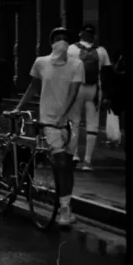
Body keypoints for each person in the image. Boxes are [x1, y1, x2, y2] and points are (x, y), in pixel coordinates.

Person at [15, 27, 84, 229]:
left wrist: (64, 115)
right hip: (49, 122)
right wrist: (19, 108)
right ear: (51, 42)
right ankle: (63, 211)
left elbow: (73, 92)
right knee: (61, 162)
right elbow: (33, 87)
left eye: (64, 38)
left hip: (70, 122)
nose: (61, 41)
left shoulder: (77, 64)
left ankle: (66, 206)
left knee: (68, 167)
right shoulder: (41, 63)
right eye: (57, 38)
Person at [66, 24, 113, 171]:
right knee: (92, 125)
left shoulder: (71, 49)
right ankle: (87, 161)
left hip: (76, 88)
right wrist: (107, 95)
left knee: (74, 122)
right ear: (94, 36)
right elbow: (107, 75)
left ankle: (73, 155)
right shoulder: (101, 51)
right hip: (94, 90)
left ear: (80, 34)